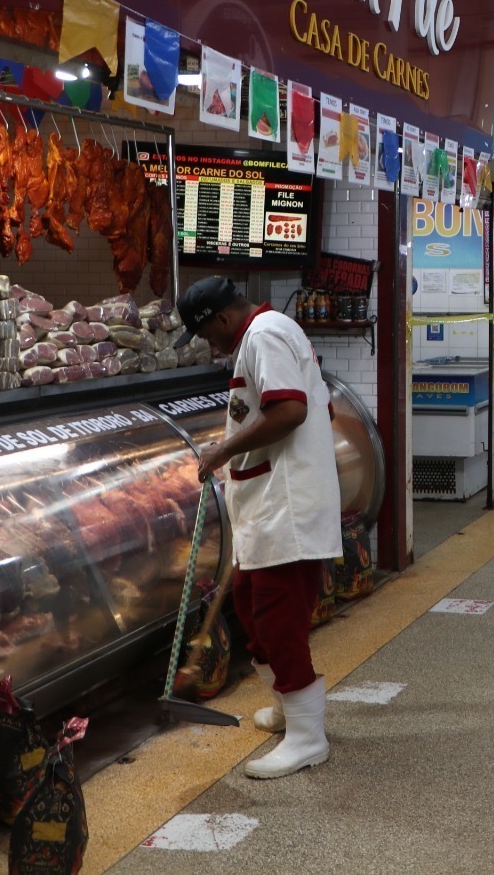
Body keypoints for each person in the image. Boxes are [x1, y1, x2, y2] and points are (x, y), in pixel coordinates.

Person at [182, 277, 341, 780]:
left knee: (278, 620)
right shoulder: (263, 334)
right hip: (269, 503)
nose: (210, 344)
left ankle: (308, 737)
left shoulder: (265, 334)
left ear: (222, 318)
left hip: (286, 506)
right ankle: (288, 707)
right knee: (251, 605)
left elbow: (290, 409)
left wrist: (223, 450)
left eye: (206, 334)